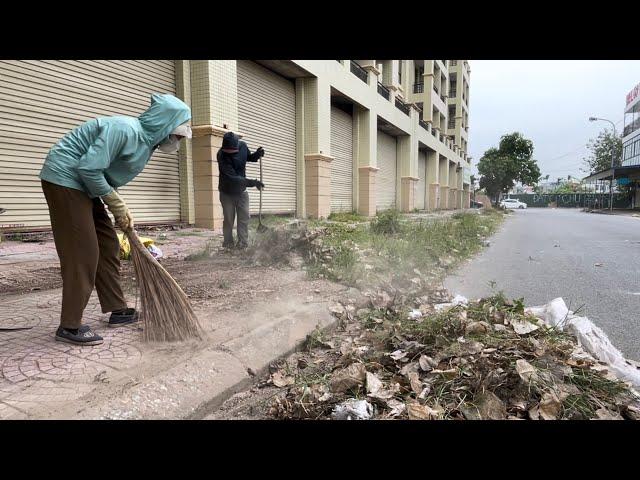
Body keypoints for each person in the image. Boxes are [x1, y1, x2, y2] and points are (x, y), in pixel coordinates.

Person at [39, 93, 192, 346]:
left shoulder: (145, 143)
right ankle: (69, 325)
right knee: (83, 251)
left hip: (85, 186)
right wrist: (116, 204)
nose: (176, 141)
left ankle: (117, 309)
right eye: (176, 135)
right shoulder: (124, 130)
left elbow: (106, 176)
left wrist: (119, 207)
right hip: (64, 178)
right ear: (164, 126)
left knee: (108, 244)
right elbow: (88, 167)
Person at [217, 132, 265, 250]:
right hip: (226, 192)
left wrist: (256, 155)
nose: (229, 154)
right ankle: (228, 244)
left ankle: (243, 244)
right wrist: (253, 182)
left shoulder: (243, 146)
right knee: (229, 220)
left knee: (244, 218)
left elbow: (247, 157)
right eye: (226, 151)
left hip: (241, 192)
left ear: (237, 146)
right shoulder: (221, 155)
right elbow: (234, 179)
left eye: (231, 152)